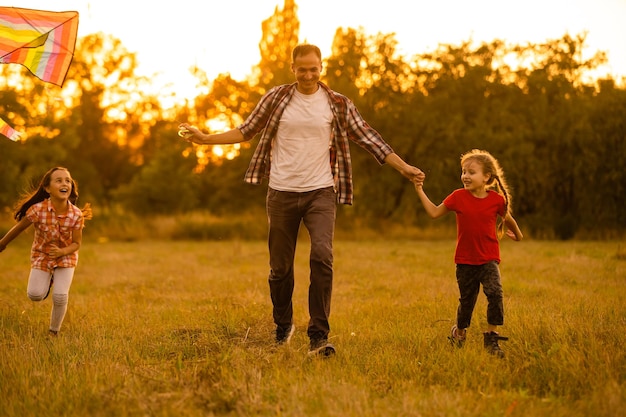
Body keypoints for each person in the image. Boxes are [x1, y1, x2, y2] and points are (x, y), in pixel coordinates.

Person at [179, 43, 424, 357]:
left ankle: (319, 336)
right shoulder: (277, 98)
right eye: (302, 69)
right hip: (281, 193)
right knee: (280, 268)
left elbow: (368, 136)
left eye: (313, 68)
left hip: (321, 192)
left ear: (321, 67)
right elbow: (246, 131)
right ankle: (283, 326)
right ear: (292, 68)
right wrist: (205, 138)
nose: (308, 75)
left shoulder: (337, 103)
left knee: (322, 256)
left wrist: (404, 168)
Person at [413, 149, 523, 358]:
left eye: (471, 172)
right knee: (467, 301)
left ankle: (491, 338)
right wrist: (419, 189)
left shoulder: (496, 200)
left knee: (495, 293)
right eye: (463, 171)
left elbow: (508, 218)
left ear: (487, 177)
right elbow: (434, 212)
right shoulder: (458, 197)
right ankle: (459, 333)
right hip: (465, 261)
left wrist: (518, 234)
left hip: (489, 258)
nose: (465, 176)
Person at [0, 167, 91, 336]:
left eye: (67, 180)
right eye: (59, 180)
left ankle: (53, 332)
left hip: (66, 257)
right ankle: (48, 281)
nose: (64, 183)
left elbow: (76, 244)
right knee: (34, 295)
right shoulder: (38, 210)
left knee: (60, 296)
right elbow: (18, 229)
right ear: (47, 188)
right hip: (42, 255)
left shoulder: (76, 215)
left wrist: (62, 252)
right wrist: (2, 244)